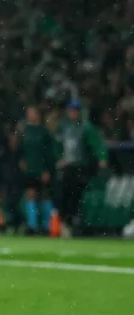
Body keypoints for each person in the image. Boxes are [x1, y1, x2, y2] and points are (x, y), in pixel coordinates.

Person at [56, 100, 108, 236]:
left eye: (75, 111)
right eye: (71, 111)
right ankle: (66, 223)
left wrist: (102, 158)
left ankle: (73, 224)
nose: (73, 113)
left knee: (76, 197)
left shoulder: (85, 127)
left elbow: (97, 144)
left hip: (79, 167)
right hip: (66, 167)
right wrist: (60, 158)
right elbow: (58, 146)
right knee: (64, 196)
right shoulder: (64, 127)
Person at [19, 106, 57, 234]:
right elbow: (21, 149)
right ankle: (32, 226)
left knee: (45, 196)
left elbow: (49, 152)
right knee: (31, 195)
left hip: (42, 169)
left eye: (32, 113)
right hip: (30, 169)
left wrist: (47, 169)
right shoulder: (25, 131)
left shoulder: (44, 132)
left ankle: (47, 226)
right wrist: (22, 160)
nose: (30, 116)